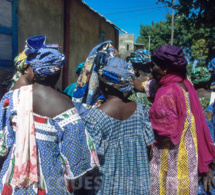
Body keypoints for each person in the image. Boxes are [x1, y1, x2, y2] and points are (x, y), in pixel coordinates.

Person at [0, 35, 99, 195]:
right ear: (58, 72)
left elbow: (3, 145)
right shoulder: (67, 108)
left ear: (34, 70)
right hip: (50, 186)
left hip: (12, 184)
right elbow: (77, 163)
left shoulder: (11, 99)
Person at [79, 55, 154, 194]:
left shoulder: (95, 117)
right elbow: (149, 145)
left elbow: (91, 160)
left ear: (105, 87)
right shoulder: (141, 110)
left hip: (108, 185)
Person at [149, 45, 215, 194]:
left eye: (153, 65)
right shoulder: (184, 84)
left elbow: (163, 134)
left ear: (165, 68)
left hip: (173, 158)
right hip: (189, 156)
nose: (151, 69)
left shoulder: (167, 92)